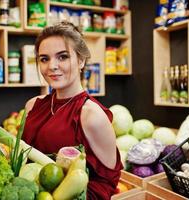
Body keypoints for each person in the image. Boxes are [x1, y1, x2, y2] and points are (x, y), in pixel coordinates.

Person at [22, 21, 123, 199]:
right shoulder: (32, 105)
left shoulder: (92, 115)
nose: (52, 66)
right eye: (44, 59)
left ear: (81, 60)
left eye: (62, 57)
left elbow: (107, 183)